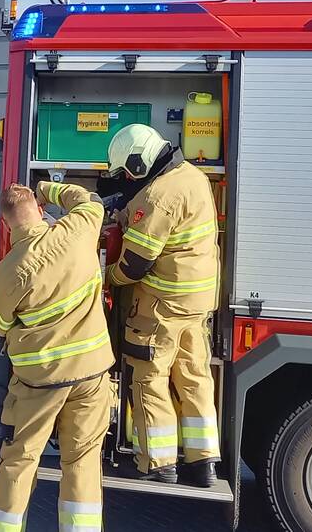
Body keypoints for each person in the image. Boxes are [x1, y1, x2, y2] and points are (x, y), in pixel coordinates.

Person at [0, 182, 114, 532]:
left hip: (39, 382)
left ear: (6, 223)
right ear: (40, 211)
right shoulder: (79, 228)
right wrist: (47, 188)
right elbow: (88, 200)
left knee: (19, 460)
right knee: (83, 462)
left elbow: (0, 326)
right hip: (92, 374)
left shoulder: (3, 274)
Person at [105, 124, 221, 487]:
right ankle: (204, 463)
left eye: (126, 171)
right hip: (197, 303)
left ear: (138, 165)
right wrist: (126, 213)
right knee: (193, 379)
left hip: (161, 307)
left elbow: (133, 266)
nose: (125, 178)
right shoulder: (192, 176)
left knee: (150, 378)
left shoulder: (157, 197)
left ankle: (158, 463)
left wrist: (101, 275)